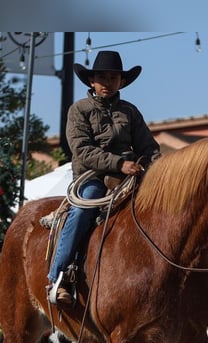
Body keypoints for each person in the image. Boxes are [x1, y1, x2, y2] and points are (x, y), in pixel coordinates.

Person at [47, 50, 161, 307]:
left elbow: (149, 147)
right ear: (91, 81)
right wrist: (120, 164)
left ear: (121, 82)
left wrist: (157, 167)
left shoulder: (131, 112)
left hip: (129, 177)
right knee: (83, 209)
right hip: (92, 177)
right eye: (102, 77)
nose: (107, 82)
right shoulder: (79, 111)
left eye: (113, 77)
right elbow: (83, 151)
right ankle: (59, 277)